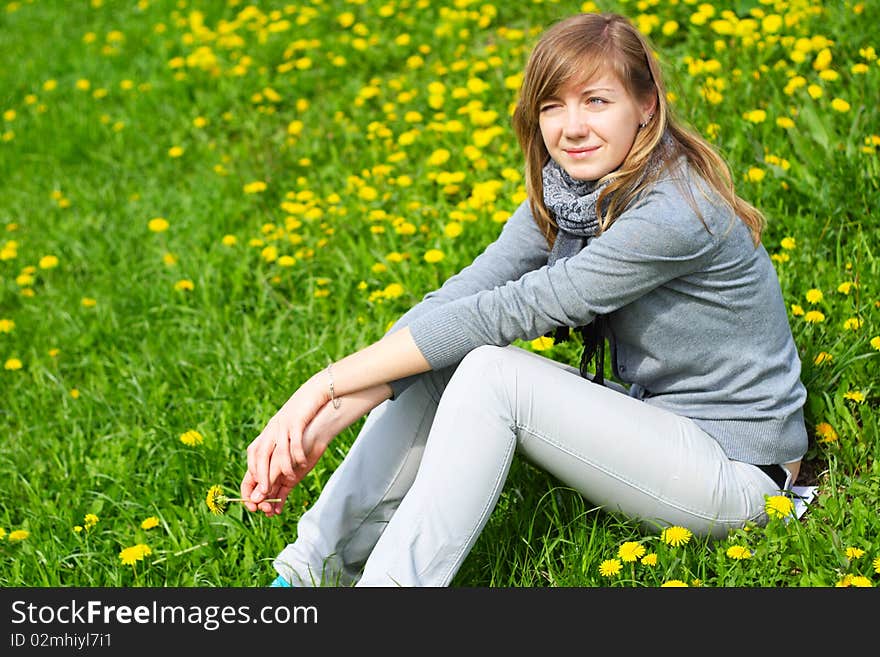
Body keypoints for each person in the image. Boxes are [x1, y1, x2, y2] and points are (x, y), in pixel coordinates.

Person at [240, 11, 808, 587]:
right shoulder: (570, 197)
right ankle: (306, 576)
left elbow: (517, 310)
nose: (572, 127)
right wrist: (327, 413)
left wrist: (325, 384)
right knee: (450, 352)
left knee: (491, 372)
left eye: (596, 101)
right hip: (657, 426)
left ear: (647, 107)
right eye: (552, 106)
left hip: (740, 470)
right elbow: (462, 297)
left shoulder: (676, 210)